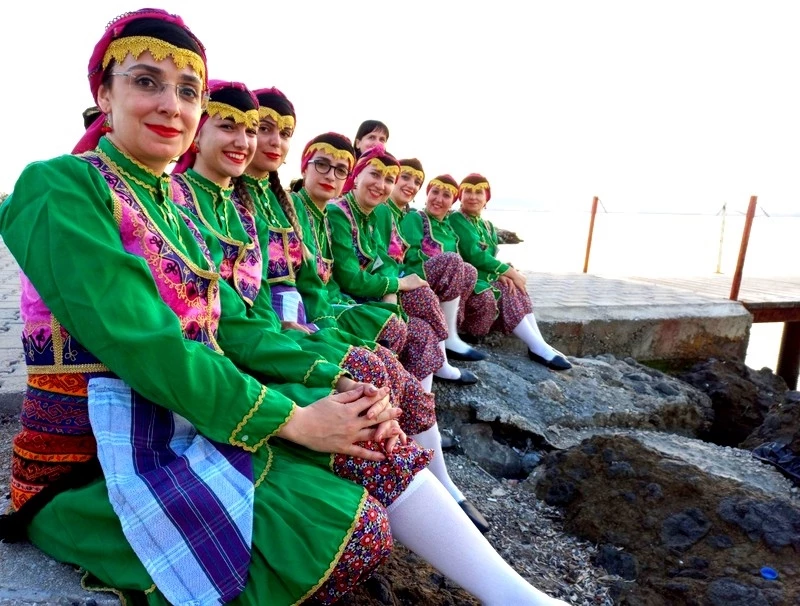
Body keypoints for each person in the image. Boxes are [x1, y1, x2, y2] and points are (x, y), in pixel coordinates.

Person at [0, 10, 569, 604]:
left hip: (187, 414)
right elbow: (145, 342)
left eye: (187, 90)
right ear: (103, 94)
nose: (171, 104)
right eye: (146, 82)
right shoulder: (62, 186)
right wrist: (292, 418)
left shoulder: (170, 202)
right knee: (349, 537)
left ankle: (523, 597)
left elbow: (235, 324)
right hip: (98, 455)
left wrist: (333, 380)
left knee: (369, 426)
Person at [170, 79, 436, 504]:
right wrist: (318, 346)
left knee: (387, 362)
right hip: (224, 357)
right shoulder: (190, 199)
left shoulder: (270, 204)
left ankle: (431, 473)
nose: (264, 141)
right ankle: (413, 479)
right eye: (254, 127)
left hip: (279, 329)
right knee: (370, 373)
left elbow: (306, 282)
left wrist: (322, 328)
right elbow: (234, 318)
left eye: (277, 131)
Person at [376, 162, 489, 380]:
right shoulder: (399, 214)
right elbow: (390, 257)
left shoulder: (406, 215)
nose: (438, 199)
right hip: (390, 285)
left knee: (468, 270)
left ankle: (449, 339)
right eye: (404, 178)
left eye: (416, 181)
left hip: (403, 281)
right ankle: (446, 345)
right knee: (452, 263)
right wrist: (409, 282)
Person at [450, 173, 572, 370]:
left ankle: (539, 342)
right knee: (509, 285)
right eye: (468, 192)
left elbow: (489, 258)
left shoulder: (486, 225)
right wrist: (507, 272)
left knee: (514, 284)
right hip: (469, 281)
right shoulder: (457, 219)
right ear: (460, 196)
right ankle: (536, 345)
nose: (473, 197)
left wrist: (506, 272)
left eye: (479, 192)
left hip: (484, 277)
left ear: (486, 198)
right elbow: (474, 255)